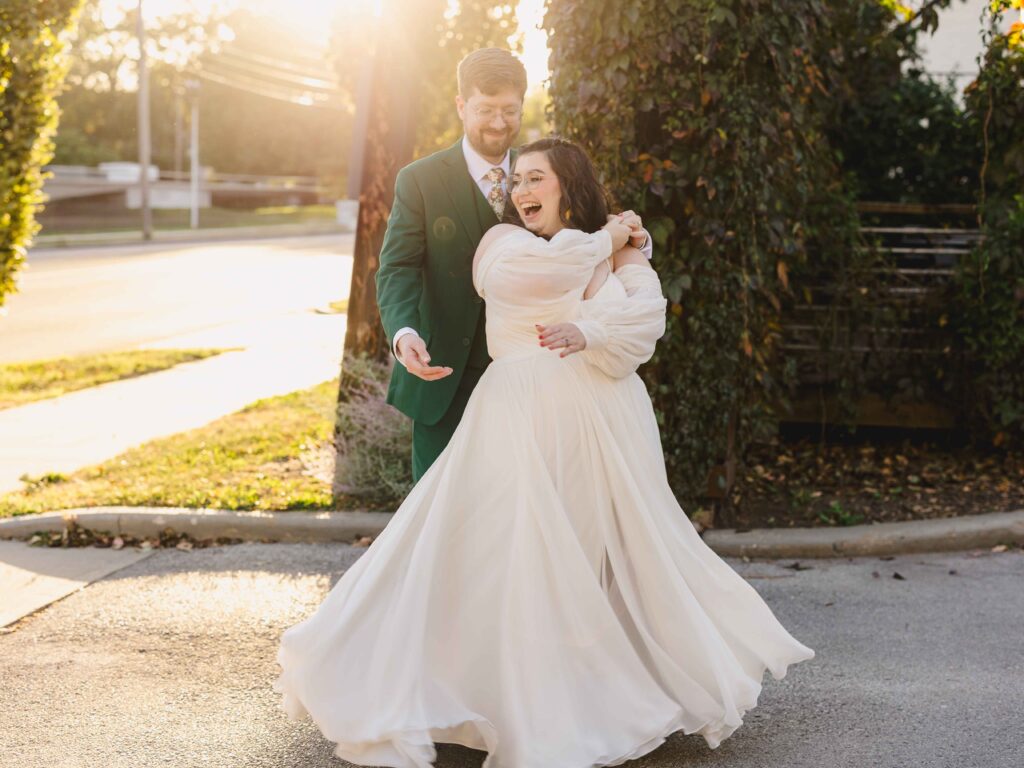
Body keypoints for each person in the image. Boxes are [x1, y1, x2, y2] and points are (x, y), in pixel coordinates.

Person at [272, 137, 816, 768]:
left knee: (590, 557)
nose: (523, 191)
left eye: (538, 179)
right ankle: (486, 696)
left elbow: (647, 320)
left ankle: (586, 696)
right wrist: (613, 241)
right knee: (505, 550)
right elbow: (544, 274)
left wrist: (591, 325)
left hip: (606, 423)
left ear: (569, 185)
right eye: (519, 180)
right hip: (517, 417)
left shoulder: (614, 251)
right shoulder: (503, 246)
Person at [374, 47, 652, 482]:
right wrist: (403, 333)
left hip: (537, 381)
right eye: (486, 110)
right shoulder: (420, 180)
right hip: (445, 374)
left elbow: (592, 225)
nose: (499, 123)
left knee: (523, 517)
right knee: (444, 515)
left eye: (510, 110)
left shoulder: (542, 165)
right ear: (462, 105)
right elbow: (398, 267)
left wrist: (633, 237)